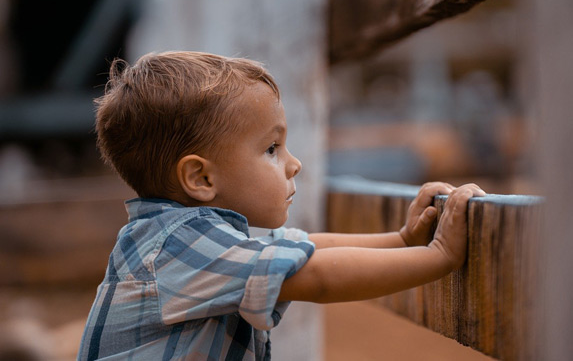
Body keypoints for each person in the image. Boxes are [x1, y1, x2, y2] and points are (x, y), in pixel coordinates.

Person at [78, 51, 485, 360]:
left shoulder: (194, 238)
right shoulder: (176, 247)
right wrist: (440, 256)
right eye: (271, 148)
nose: (294, 164)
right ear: (201, 179)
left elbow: (305, 247)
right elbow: (318, 277)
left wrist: (402, 241)